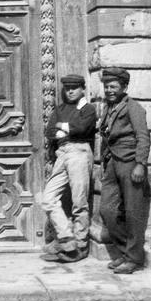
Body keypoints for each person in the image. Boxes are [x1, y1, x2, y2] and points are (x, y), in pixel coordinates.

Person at [99, 67, 150, 274]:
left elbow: (143, 137)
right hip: (112, 162)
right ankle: (125, 251)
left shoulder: (134, 107)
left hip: (130, 163)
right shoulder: (108, 107)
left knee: (133, 212)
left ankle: (134, 258)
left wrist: (140, 164)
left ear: (124, 87)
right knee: (107, 210)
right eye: (106, 87)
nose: (109, 90)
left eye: (113, 86)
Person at [41, 74, 97, 262]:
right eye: (67, 88)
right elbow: (49, 131)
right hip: (62, 154)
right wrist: (66, 128)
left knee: (79, 201)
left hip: (79, 152)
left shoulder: (88, 109)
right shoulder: (60, 108)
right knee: (48, 198)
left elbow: (83, 129)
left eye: (74, 88)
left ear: (82, 89)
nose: (70, 91)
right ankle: (66, 238)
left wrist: (62, 127)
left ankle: (80, 246)